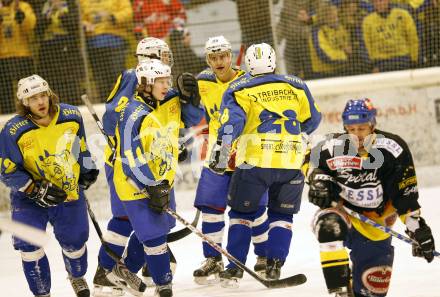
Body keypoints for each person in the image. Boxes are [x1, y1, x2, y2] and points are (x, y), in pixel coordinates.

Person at [93, 36, 199, 296]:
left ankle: (135, 268)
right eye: (163, 54)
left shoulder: (165, 86)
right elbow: (113, 123)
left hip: (158, 168)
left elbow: (182, 119)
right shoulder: (133, 79)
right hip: (128, 166)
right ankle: (107, 273)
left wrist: (191, 100)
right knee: (127, 218)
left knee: (156, 218)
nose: (168, 58)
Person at [210, 43, 321, 286]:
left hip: (254, 161)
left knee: (241, 214)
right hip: (291, 160)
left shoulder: (238, 87)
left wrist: (219, 157)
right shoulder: (297, 85)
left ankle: (235, 267)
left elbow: (231, 126)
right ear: (274, 62)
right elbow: (313, 120)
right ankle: (274, 267)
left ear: (248, 65)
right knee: (282, 215)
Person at [308, 98, 436, 296]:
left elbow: (405, 195)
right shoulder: (330, 147)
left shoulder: (393, 148)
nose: (357, 135)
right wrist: (319, 182)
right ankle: (340, 290)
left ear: (372, 125)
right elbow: (309, 166)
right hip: (343, 214)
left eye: (362, 128)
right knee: (329, 226)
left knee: (371, 291)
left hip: (375, 226)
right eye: (351, 129)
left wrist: (417, 229)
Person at [0, 74, 99, 297]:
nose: (40, 102)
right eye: (33, 98)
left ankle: (76, 276)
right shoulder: (13, 130)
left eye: (43, 95)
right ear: (24, 103)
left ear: (50, 94)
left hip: (67, 191)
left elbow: (79, 146)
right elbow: (6, 170)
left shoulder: (71, 115)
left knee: (75, 241)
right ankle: (42, 293)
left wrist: (87, 167)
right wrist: (33, 188)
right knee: (28, 244)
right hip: (29, 196)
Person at [192, 36, 269, 285]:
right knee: (210, 208)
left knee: (254, 209)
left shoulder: (248, 81)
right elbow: (195, 111)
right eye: (213, 57)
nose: (219, 61)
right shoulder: (202, 81)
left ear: (230, 55)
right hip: (218, 151)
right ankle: (213, 258)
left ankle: (264, 256)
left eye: (223, 56)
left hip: (247, 152)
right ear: (207, 60)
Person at [362, 0, 419, 72]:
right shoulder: (367, 21)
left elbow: (413, 39)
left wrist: (414, 60)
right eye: (375, 1)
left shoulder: (403, 14)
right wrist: (372, 66)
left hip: (402, 59)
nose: (379, 4)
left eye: (381, 1)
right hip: (380, 62)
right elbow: (367, 45)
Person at [0, 0, 36, 114]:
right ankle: (9, 118)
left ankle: (30, 114)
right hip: (2, 56)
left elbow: (31, 26)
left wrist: (19, 13)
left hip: (22, 54)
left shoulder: (22, 6)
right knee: (5, 93)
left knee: (27, 90)